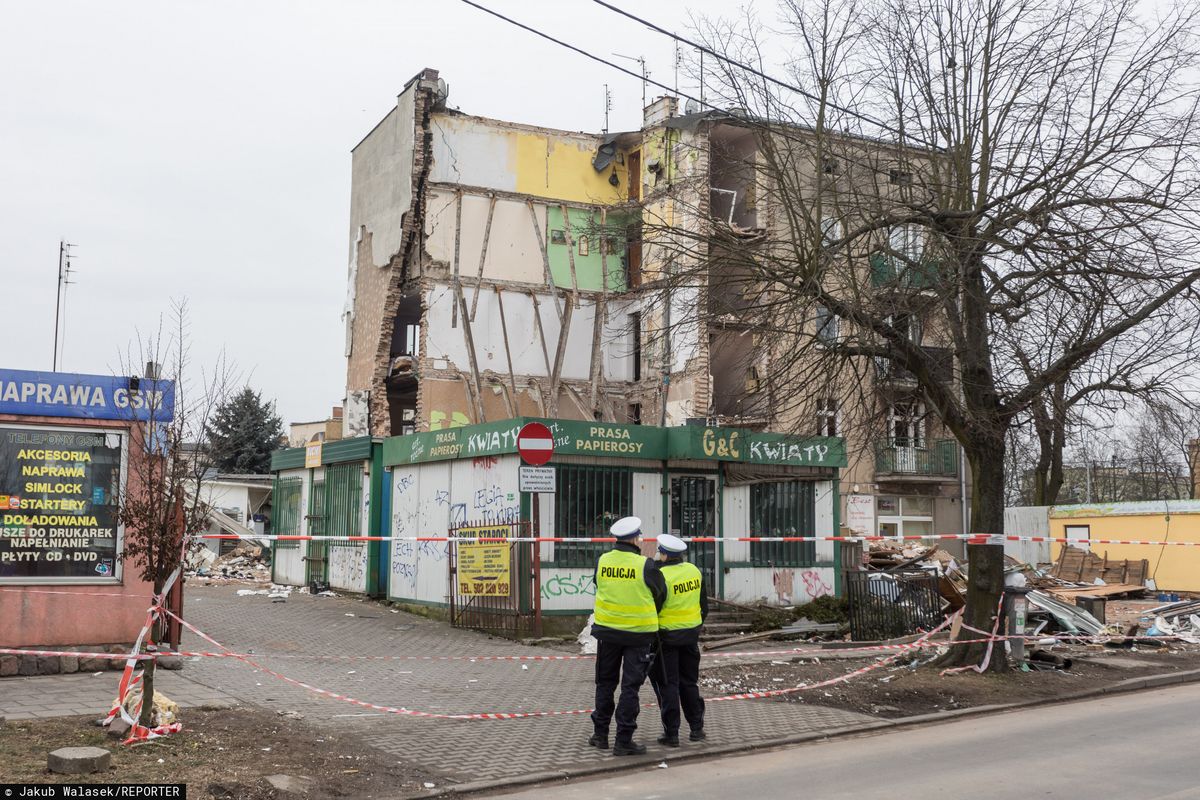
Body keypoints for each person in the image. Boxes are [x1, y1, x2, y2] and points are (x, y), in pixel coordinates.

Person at [589, 515, 667, 756]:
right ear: (635, 539)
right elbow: (660, 594)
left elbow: (598, 584)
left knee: (605, 683)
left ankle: (600, 736)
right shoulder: (646, 565)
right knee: (630, 688)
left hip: (607, 633)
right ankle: (623, 740)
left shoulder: (603, 561)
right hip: (638, 636)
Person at [648, 533, 707, 747]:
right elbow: (704, 606)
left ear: (663, 554)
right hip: (690, 637)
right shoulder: (693, 570)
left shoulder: (661, 575)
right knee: (689, 683)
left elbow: (654, 607)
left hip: (666, 640)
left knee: (668, 685)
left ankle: (671, 733)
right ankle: (697, 728)